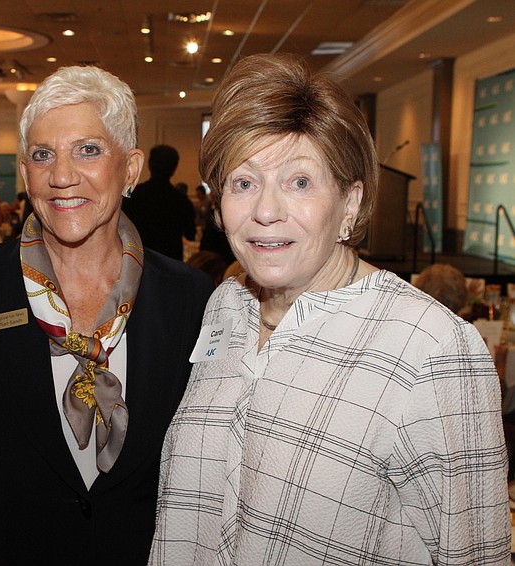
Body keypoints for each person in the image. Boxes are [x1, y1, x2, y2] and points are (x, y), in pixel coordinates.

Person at [151, 53, 509, 565]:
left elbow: (475, 554)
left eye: (299, 182)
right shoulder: (227, 305)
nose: (266, 211)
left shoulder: (430, 349)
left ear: (350, 202)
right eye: (243, 183)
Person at [0, 65, 214, 565]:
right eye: (42, 155)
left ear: (130, 169)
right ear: (25, 173)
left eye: (88, 150)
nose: (62, 176)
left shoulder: (190, 299)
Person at [121, 144, 196, 260]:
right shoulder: (181, 200)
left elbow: (122, 229)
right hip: (170, 260)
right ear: (174, 168)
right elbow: (190, 234)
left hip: (140, 258)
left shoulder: (134, 194)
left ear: (149, 164)